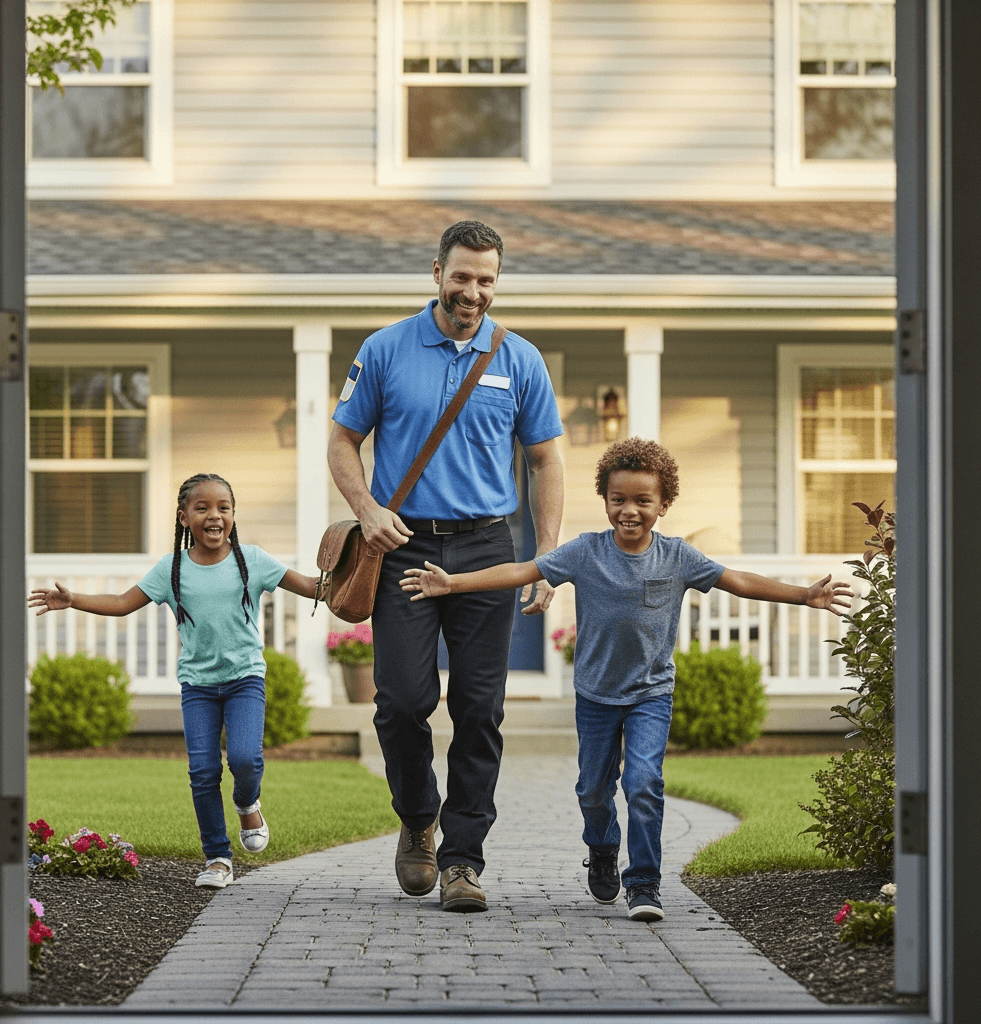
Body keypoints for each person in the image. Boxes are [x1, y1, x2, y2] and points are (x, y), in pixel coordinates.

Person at [400, 438, 854, 921]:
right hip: (595, 695)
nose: (629, 511)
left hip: (650, 695)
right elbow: (521, 570)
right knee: (593, 791)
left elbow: (737, 580)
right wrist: (453, 582)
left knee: (643, 783)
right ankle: (601, 848)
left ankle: (644, 884)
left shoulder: (678, 557)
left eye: (643, 501)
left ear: (663, 504)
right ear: (605, 500)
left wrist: (805, 595)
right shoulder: (586, 552)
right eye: (618, 500)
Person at [328, 220, 564, 912]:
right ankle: (418, 818)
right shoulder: (386, 349)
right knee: (401, 701)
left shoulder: (519, 359)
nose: (473, 291)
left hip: (489, 548)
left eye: (486, 279)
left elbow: (546, 459)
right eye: (461, 276)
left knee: (480, 709)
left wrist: (545, 553)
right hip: (403, 545)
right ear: (436, 272)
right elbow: (343, 441)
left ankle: (463, 860)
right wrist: (368, 510)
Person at [28, 473, 324, 889]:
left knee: (245, 760)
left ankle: (246, 803)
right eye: (202, 508)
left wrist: (356, 571)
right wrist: (74, 599)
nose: (214, 515)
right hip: (198, 687)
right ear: (184, 517)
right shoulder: (172, 569)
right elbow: (122, 602)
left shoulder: (252, 560)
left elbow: (314, 587)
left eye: (223, 507)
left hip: (245, 681)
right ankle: (218, 858)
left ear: (233, 515)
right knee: (203, 772)